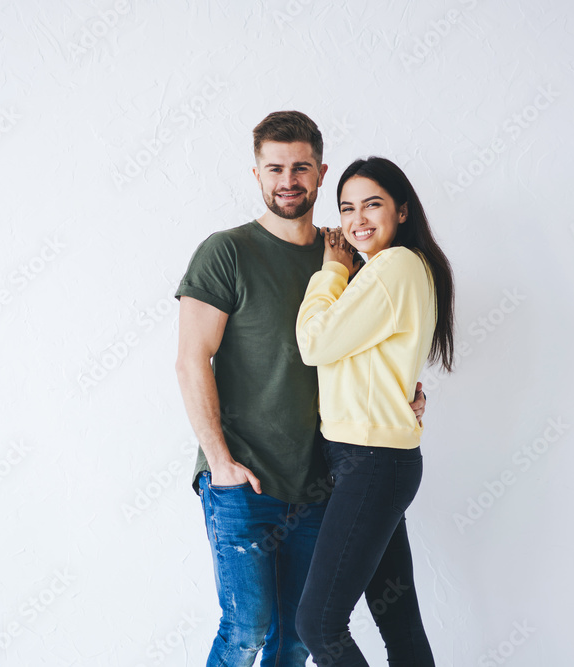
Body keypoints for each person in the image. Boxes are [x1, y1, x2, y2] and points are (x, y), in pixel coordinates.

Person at [175, 114, 428, 665]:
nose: (288, 179)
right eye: (275, 168)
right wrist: (218, 460)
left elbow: (375, 346)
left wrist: (405, 390)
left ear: (320, 173)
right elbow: (191, 359)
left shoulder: (350, 260)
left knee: (295, 638)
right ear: (257, 174)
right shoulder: (226, 252)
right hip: (243, 477)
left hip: (321, 482)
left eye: (301, 168)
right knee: (248, 630)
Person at [294, 157, 455, 666]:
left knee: (318, 623)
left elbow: (315, 343)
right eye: (346, 208)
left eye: (372, 204)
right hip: (376, 460)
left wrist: (332, 270)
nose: (357, 218)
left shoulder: (393, 266)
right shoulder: (389, 269)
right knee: (399, 623)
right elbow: (368, 363)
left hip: (371, 461)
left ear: (402, 210)